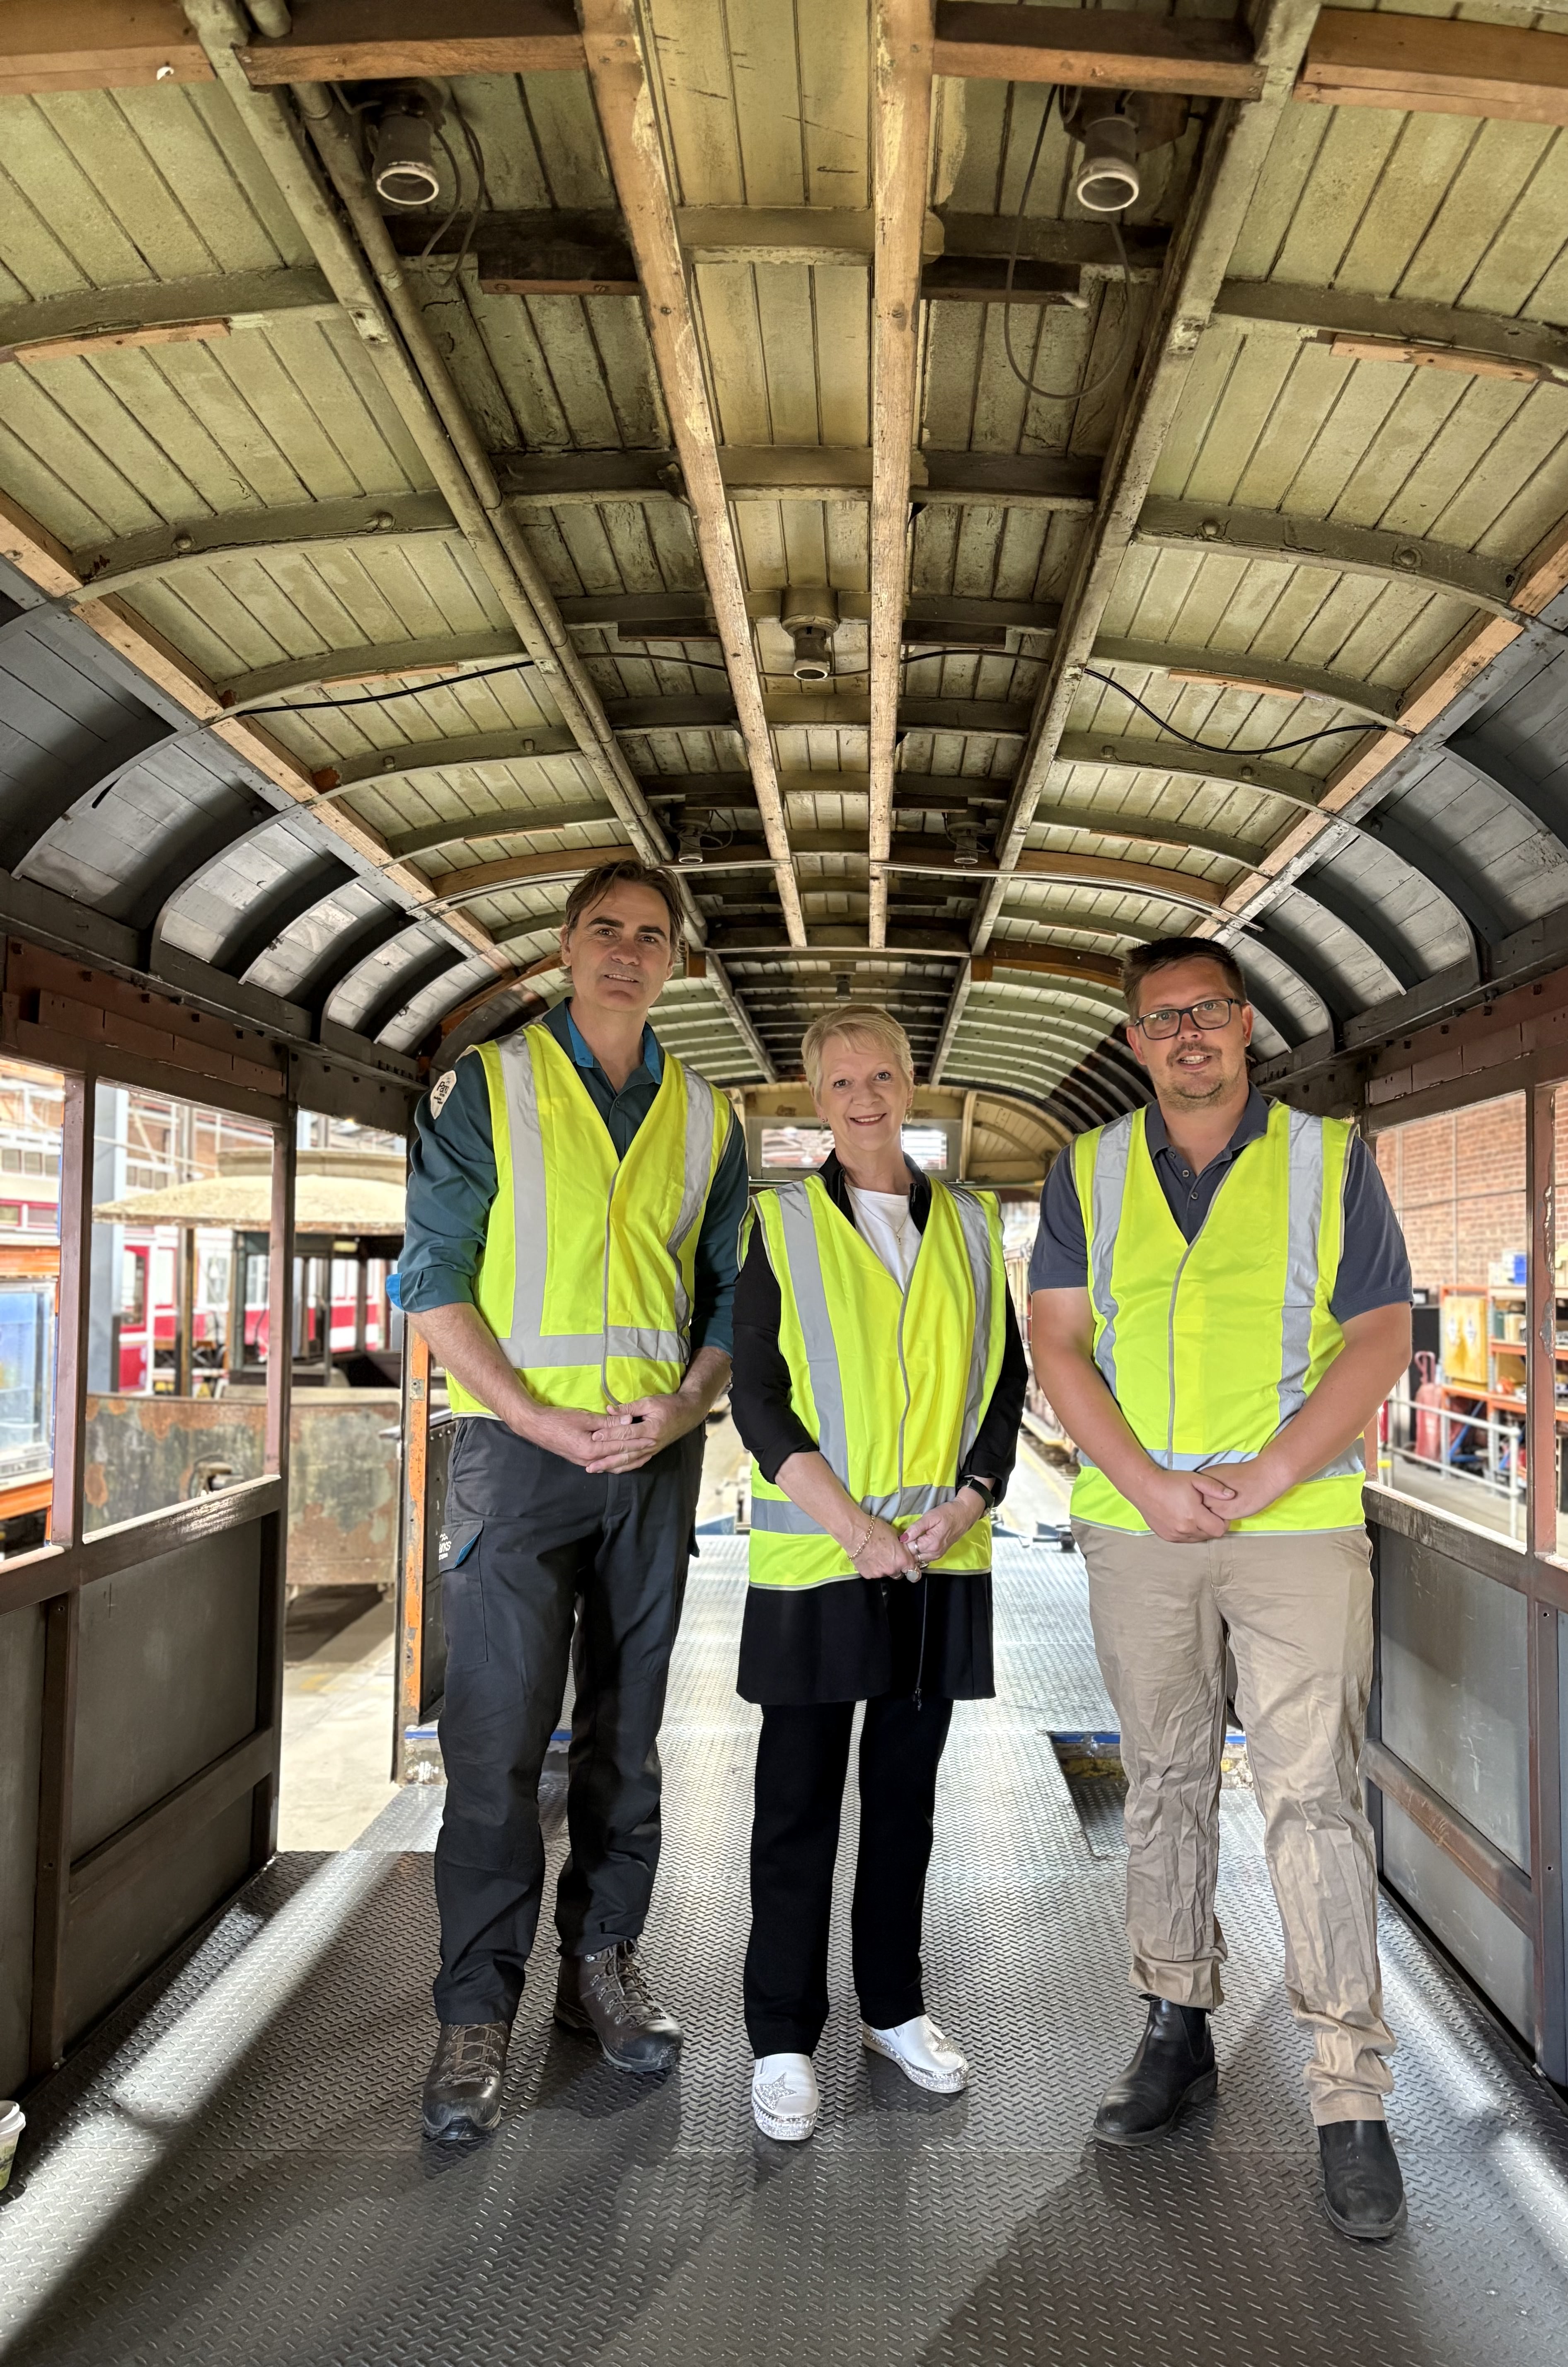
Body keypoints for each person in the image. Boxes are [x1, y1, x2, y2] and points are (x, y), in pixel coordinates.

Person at [1028, 937, 1413, 2241]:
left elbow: (1381, 1336)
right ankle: (1173, 2022)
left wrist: (1271, 1472)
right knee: (1164, 1778)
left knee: (1311, 1794)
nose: (1185, 1034)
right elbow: (1059, 1341)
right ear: (1133, 1041)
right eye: (1160, 1018)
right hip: (1138, 1526)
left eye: (1205, 1011)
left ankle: (1348, 2093)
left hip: (1293, 1523)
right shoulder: (1086, 1169)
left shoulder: (1327, 1158)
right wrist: (1141, 1483)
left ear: (1245, 1024)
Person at [397, 858, 749, 2139]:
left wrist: (691, 1405)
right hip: (517, 1454)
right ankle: (473, 2012)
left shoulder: (707, 1118)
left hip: (651, 1462)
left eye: (651, 936)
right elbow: (433, 1281)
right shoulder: (487, 1087)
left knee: (627, 1733)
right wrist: (539, 1416)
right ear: (564, 946)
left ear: (675, 964)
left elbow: (729, 1297)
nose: (626, 951)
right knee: (494, 1741)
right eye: (606, 929)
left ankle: (601, 1963)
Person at [730, 1007, 1026, 2142]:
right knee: (796, 1807)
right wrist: (856, 1528)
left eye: (882, 1077)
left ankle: (894, 2010)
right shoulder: (780, 1223)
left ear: (911, 1085)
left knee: (905, 1804)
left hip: (937, 1557)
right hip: (821, 1557)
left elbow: (1000, 1381)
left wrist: (972, 1498)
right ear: (817, 1099)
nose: (865, 1097)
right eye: (843, 1081)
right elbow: (758, 1397)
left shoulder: (971, 1225)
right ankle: (781, 2038)